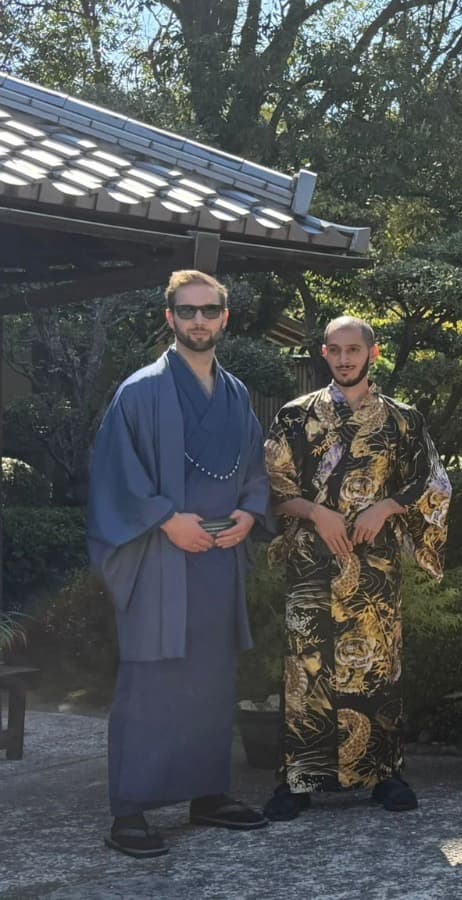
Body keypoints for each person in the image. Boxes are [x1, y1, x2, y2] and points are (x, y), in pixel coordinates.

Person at [87, 270, 272, 857]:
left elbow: (255, 469)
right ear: (169, 317)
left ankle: (208, 793)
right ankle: (129, 811)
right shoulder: (140, 391)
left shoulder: (236, 393)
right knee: (151, 679)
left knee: (211, 678)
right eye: (186, 311)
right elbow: (114, 474)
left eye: (209, 310)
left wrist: (249, 513)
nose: (198, 320)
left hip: (218, 556)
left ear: (225, 318)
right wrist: (167, 520)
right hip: (159, 555)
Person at [262, 316, 452, 820]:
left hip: (373, 565)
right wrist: (315, 512)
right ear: (324, 353)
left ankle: (384, 773)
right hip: (311, 563)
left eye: (354, 349)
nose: (344, 359)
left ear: (373, 352)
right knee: (306, 670)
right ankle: (297, 779)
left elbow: (431, 482)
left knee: (376, 666)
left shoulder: (403, 420)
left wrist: (386, 506)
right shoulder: (295, 416)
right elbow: (273, 490)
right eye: (335, 350)